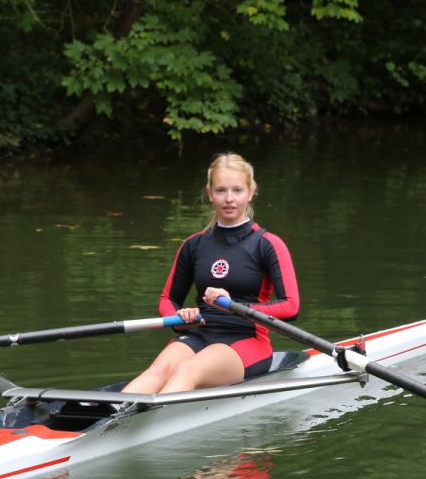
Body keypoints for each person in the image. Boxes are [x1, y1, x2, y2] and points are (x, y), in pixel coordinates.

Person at [122, 153, 300, 395]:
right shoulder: (194, 245)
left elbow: (291, 307)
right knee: (158, 370)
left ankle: (148, 423)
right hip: (200, 332)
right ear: (209, 193)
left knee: (187, 370)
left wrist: (235, 306)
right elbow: (167, 299)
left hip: (247, 338)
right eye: (221, 191)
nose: (229, 199)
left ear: (251, 192)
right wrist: (179, 318)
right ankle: (110, 420)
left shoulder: (268, 244)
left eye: (237, 190)